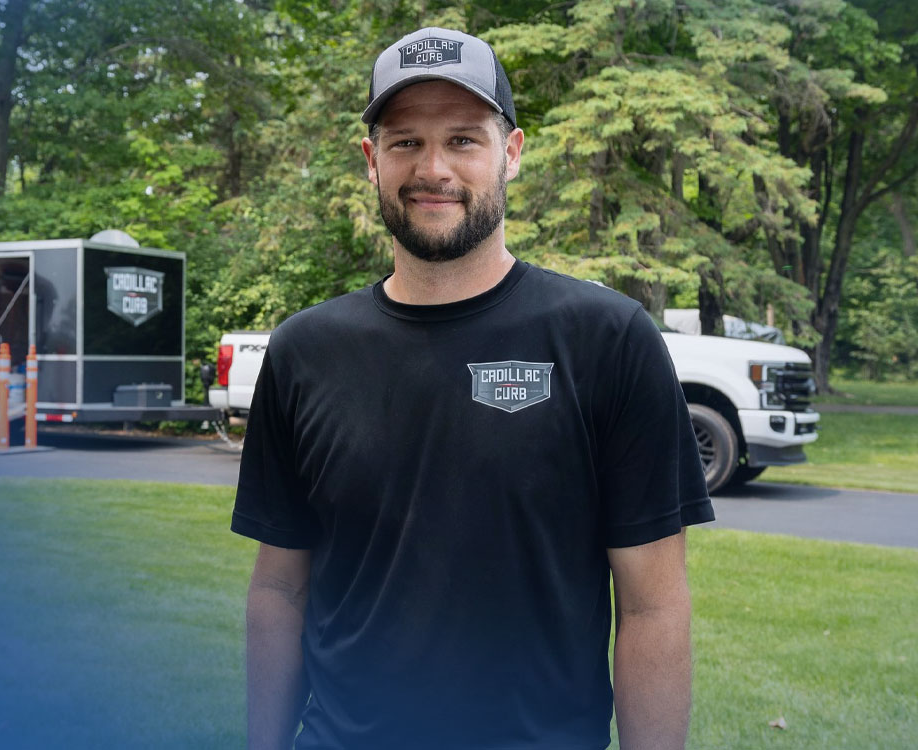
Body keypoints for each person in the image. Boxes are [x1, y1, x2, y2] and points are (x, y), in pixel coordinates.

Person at [233, 26, 715, 750]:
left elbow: (651, 606)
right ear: (371, 161)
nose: (434, 168)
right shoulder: (306, 350)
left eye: (463, 139)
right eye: (405, 142)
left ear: (510, 153)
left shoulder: (607, 339)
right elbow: (279, 588)